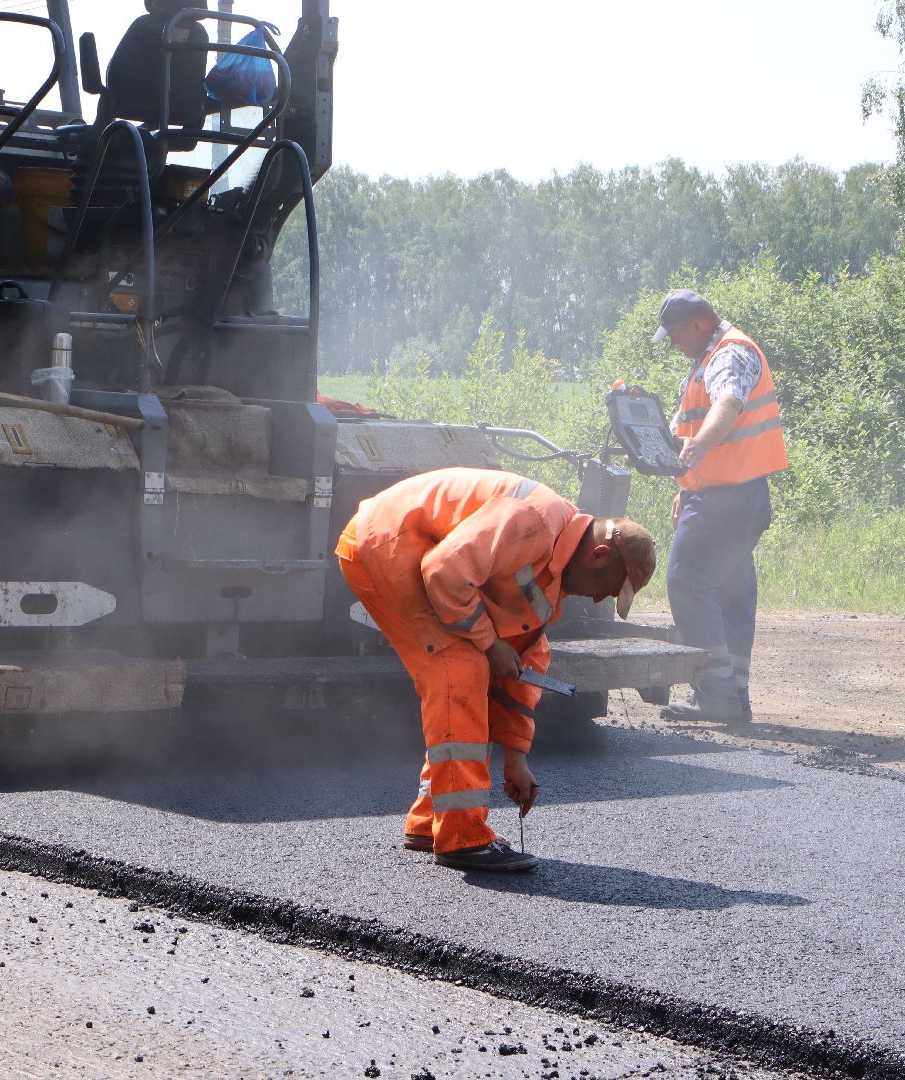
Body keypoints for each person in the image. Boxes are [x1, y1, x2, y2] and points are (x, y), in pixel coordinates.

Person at [336, 467, 656, 873]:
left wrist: (517, 757)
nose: (598, 599)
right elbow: (445, 571)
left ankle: (429, 822)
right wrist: (489, 643)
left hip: (409, 550)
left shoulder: (551, 577)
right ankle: (462, 837)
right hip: (386, 541)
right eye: (608, 587)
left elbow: (524, 660)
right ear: (600, 555)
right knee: (460, 668)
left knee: (471, 667)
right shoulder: (535, 519)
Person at [652, 289, 788, 723]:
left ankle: (714, 693)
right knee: (730, 591)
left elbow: (727, 404)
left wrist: (696, 452)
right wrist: (685, 485)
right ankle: (733, 697)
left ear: (697, 324)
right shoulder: (707, 358)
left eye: (674, 334)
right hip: (730, 495)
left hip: (726, 499)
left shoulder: (729, 355)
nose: (673, 344)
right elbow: (696, 423)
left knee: (688, 583)